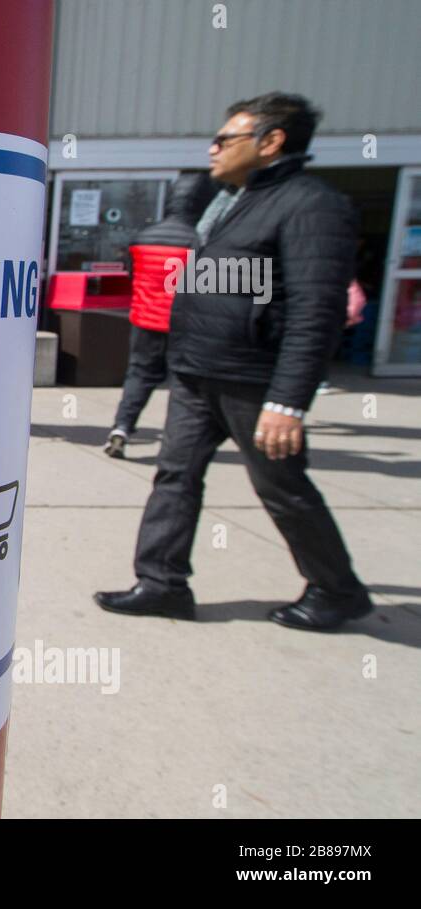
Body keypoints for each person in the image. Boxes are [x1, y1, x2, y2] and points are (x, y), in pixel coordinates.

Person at [95, 92, 372, 632]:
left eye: (226, 139)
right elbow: (234, 286)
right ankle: (161, 583)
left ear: (271, 142)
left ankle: (337, 590)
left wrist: (288, 400)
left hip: (254, 381)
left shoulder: (310, 205)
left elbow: (316, 310)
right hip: (198, 374)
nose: (213, 149)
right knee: (174, 477)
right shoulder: (231, 203)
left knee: (282, 488)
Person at [105, 173, 215, 458]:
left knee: (138, 376)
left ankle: (122, 427)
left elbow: (132, 276)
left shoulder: (144, 237)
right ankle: (175, 443)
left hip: (145, 320)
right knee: (182, 385)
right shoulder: (201, 241)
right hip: (185, 326)